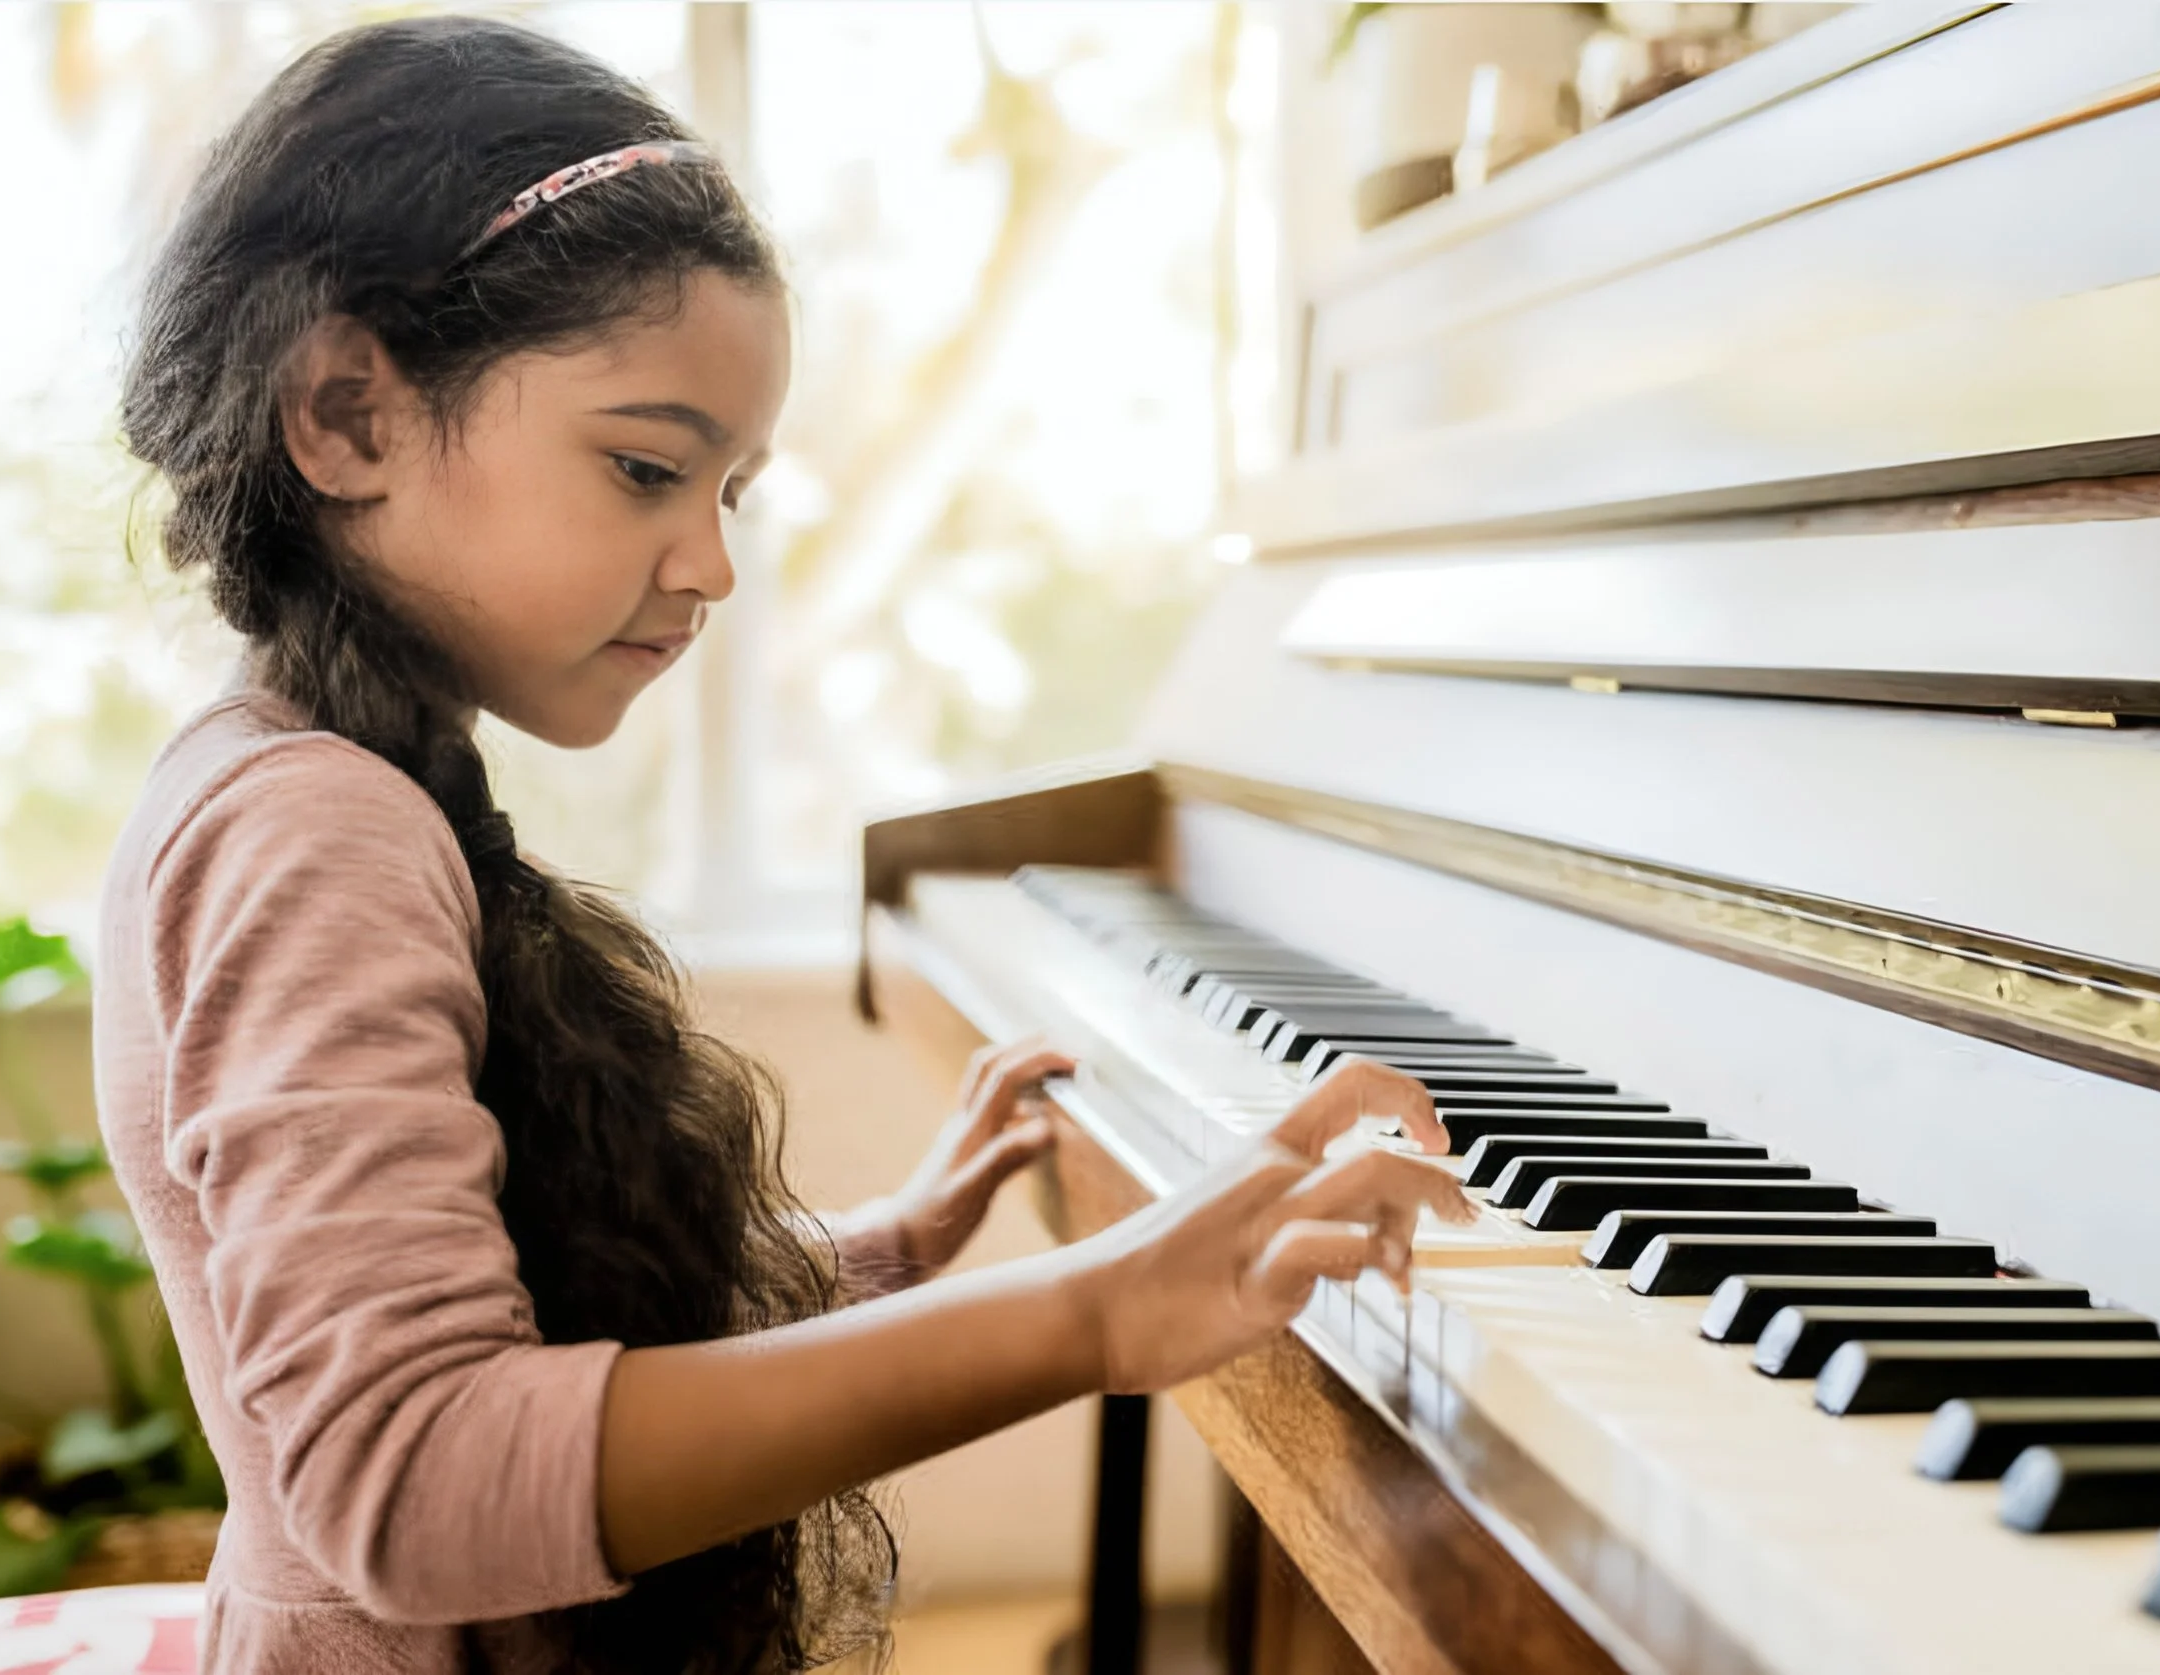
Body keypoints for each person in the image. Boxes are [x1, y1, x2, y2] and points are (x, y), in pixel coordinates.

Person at [96, 16, 1470, 1675]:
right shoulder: (316, 829)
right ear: (347, 415)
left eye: (733, 490)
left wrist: (883, 1248)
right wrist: (1093, 1312)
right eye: (647, 468)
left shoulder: (323, 781)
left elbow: (516, 1308)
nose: (711, 565)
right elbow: (415, 1478)